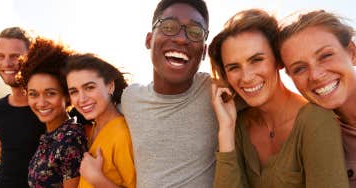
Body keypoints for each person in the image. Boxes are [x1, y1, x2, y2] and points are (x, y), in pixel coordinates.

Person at [208, 9, 349, 187]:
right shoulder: (239, 125)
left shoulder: (316, 120)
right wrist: (226, 130)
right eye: (234, 67)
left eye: (256, 60)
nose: (247, 77)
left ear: (279, 60)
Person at [121, 0, 219, 187]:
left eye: (196, 32)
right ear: (149, 40)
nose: (182, 39)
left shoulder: (217, 92)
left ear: (204, 51)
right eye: (168, 26)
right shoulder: (130, 99)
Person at [279, 10, 356, 187]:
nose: (316, 75)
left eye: (325, 56)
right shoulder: (314, 137)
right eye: (299, 68)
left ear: (351, 52)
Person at [0, 27, 45, 188]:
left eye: (15, 56)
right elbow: (6, 140)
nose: (6, 63)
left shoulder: (47, 107)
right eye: (0, 56)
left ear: (31, 58)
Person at [17, 38, 87, 187]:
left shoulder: (70, 139)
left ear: (66, 95)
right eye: (33, 94)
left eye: (50, 93)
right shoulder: (51, 135)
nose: (41, 103)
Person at [65, 53, 135, 188]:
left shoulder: (122, 134)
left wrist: (96, 178)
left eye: (89, 87)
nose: (82, 99)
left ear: (110, 86)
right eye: (74, 91)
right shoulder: (94, 128)